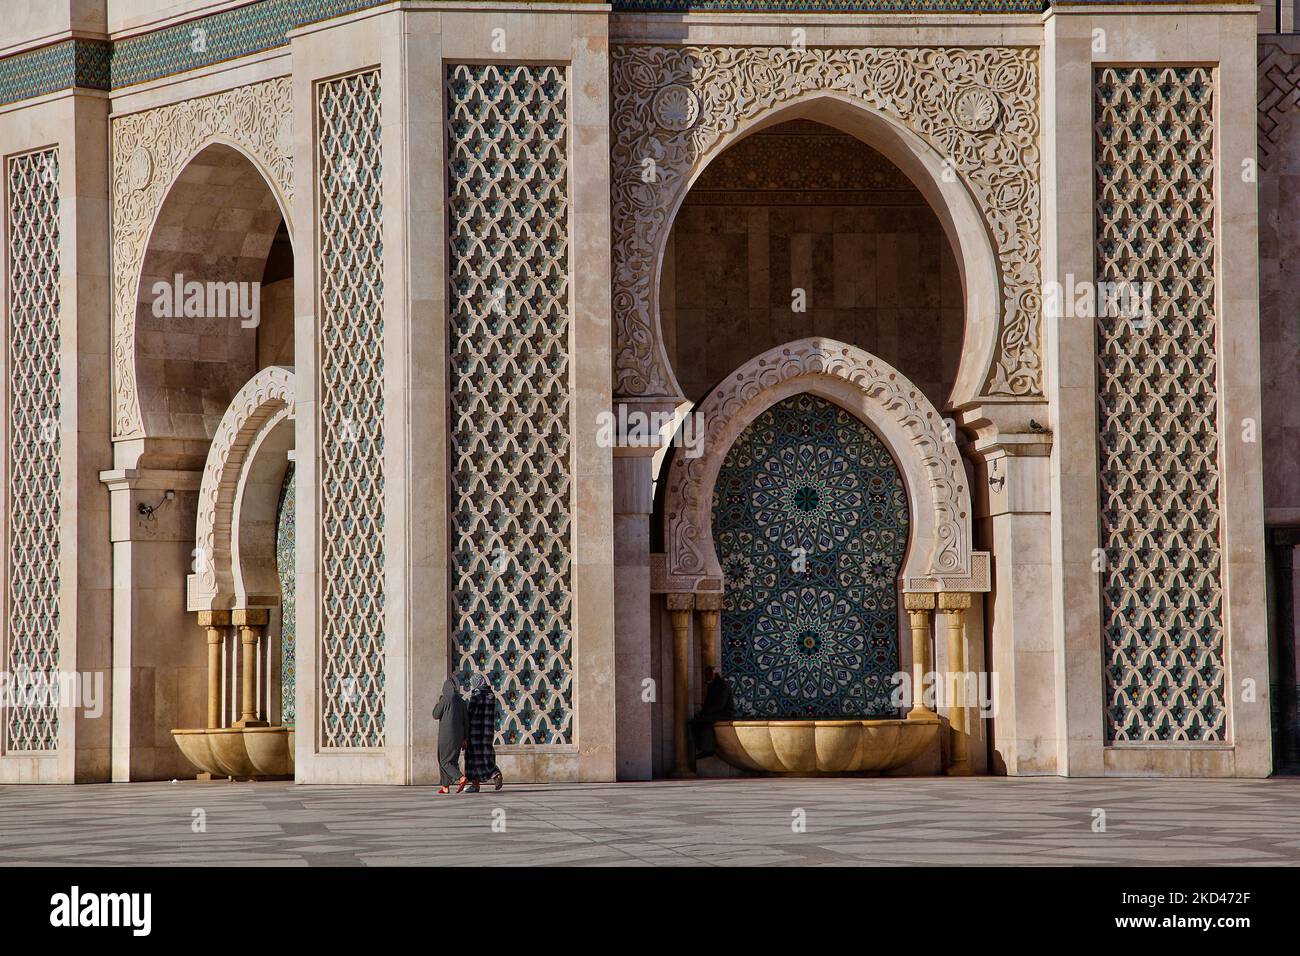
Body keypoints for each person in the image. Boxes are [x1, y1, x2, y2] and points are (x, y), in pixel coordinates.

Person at [463, 673, 504, 792]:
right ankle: (495, 774)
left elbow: (469, 715)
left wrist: (465, 732)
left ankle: (476, 784)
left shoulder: (476, 696)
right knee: (486, 755)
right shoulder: (491, 695)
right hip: (487, 732)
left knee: (472, 757)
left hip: (475, 732)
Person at [431, 678, 467, 794]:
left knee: (444, 761)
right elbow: (466, 721)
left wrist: (438, 703)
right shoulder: (461, 701)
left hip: (446, 735)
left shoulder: (445, 699)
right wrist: (465, 738)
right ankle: (445, 786)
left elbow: (435, 715)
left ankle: (461, 778)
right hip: (459, 735)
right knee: (452, 760)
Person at [691, 666, 735, 759]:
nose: (706, 676)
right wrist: (702, 713)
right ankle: (704, 748)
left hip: (724, 714)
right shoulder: (713, 685)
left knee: (701, 722)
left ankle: (707, 749)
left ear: (714, 674)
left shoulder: (722, 685)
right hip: (716, 713)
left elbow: (720, 704)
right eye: (706, 674)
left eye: (708, 674)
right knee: (696, 721)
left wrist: (705, 714)